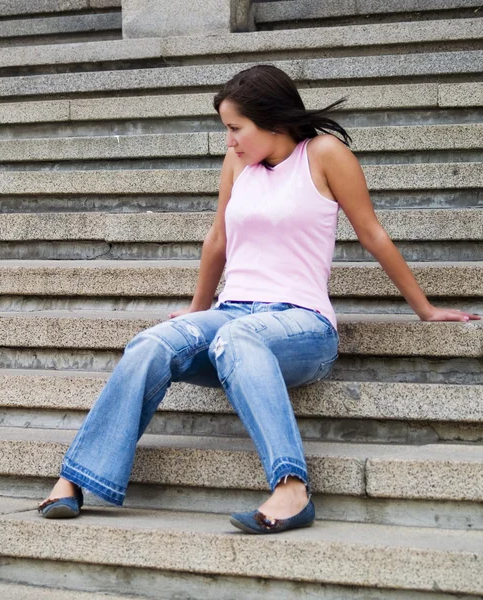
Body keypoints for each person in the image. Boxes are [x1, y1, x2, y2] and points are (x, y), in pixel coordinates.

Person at [38, 65, 479, 534]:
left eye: (234, 129)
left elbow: (372, 234)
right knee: (154, 342)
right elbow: (217, 242)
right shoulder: (239, 164)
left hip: (301, 324)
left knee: (237, 338)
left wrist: (425, 310)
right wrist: (196, 311)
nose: (229, 141)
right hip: (232, 312)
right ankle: (77, 478)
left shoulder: (325, 155)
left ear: (272, 120)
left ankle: (291, 488)